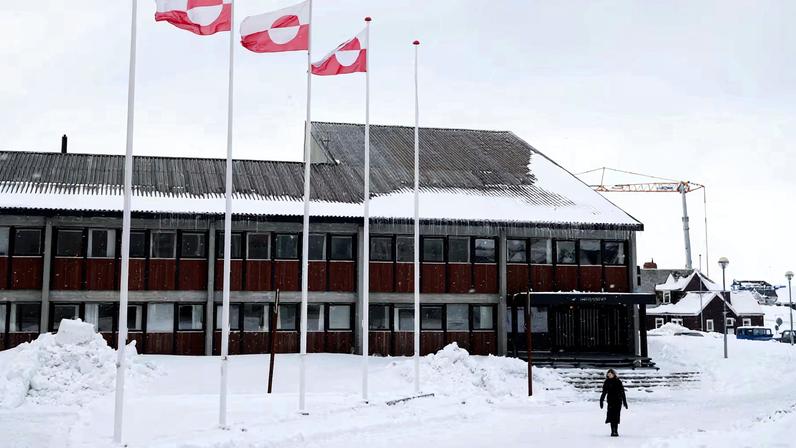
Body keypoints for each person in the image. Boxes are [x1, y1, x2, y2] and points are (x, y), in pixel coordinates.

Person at [599, 368, 628, 437]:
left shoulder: (618, 381)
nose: (609, 376)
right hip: (611, 401)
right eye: (608, 374)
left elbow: (622, 392)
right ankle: (613, 431)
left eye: (610, 374)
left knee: (616, 416)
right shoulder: (606, 382)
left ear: (613, 374)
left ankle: (616, 431)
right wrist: (601, 400)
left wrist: (625, 402)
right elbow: (604, 392)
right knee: (611, 416)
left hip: (618, 401)